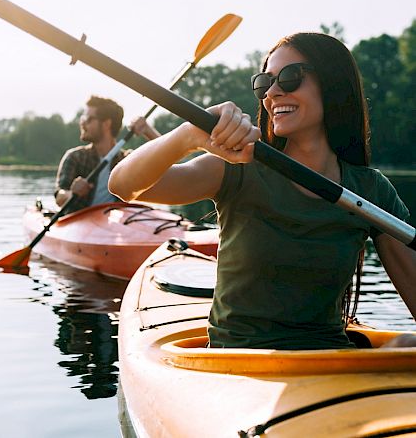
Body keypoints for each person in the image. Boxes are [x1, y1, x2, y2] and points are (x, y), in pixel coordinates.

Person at [109, 32, 416, 350]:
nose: (272, 92)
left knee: (406, 344)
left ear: (333, 84)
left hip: (331, 361)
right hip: (240, 362)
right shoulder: (238, 166)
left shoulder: (370, 191)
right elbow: (122, 185)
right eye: (264, 82)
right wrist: (189, 136)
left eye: (289, 77)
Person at [55, 95, 160, 213]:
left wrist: (147, 130)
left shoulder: (127, 160)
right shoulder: (75, 157)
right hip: (78, 223)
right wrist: (71, 193)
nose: (83, 124)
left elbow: (167, 159)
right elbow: (59, 197)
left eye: (88, 119)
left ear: (106, 124)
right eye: (83, 118)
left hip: (114, 226)